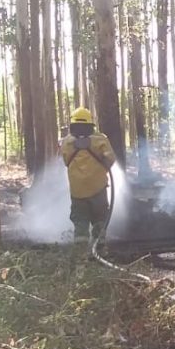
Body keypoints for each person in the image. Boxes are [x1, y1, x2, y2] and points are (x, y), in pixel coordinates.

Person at [61, 107, 116, 257]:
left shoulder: (66, 142)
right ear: (90, 125)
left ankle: (80, 253)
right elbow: (111, 159)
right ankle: (100, 250)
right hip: (98, 189)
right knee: (99, 219)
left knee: (80, 222)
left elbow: (66, 161)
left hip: (77, 191)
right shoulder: (100, 140)